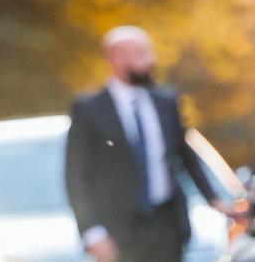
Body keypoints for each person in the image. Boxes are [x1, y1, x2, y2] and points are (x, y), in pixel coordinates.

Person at [65, 25, 236, 262]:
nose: (151, 60)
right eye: (141, 53)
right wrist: (91, 231)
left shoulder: (165, 101)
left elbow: (185, 155)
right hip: (119, 229)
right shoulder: (90, 109)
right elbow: (75, 175)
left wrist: (214, 199)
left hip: (167, 225)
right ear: (116, 57)